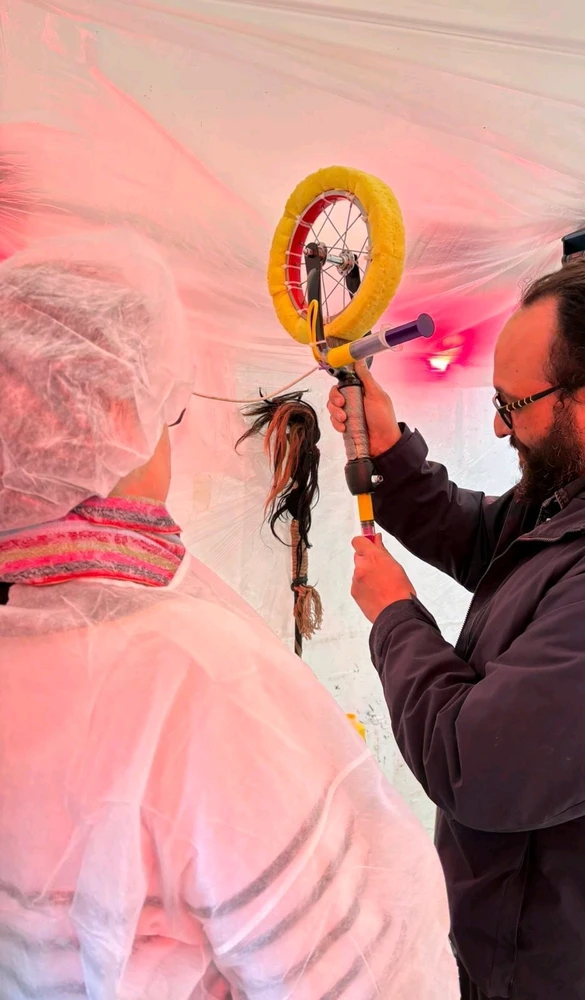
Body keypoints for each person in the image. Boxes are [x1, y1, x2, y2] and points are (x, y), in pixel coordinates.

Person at [0, 230, 458, 999]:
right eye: (166, 415)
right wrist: (401, 618)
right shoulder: (199, 678)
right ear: (116, 411)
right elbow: (376, 978)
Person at [328, 255, 585, 1000]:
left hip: (555, 965)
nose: (497, 424)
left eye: (512, 403)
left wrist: (395, 617)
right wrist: (390, 452)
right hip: (509, 923)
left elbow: (477, 765)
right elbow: (490, 540)